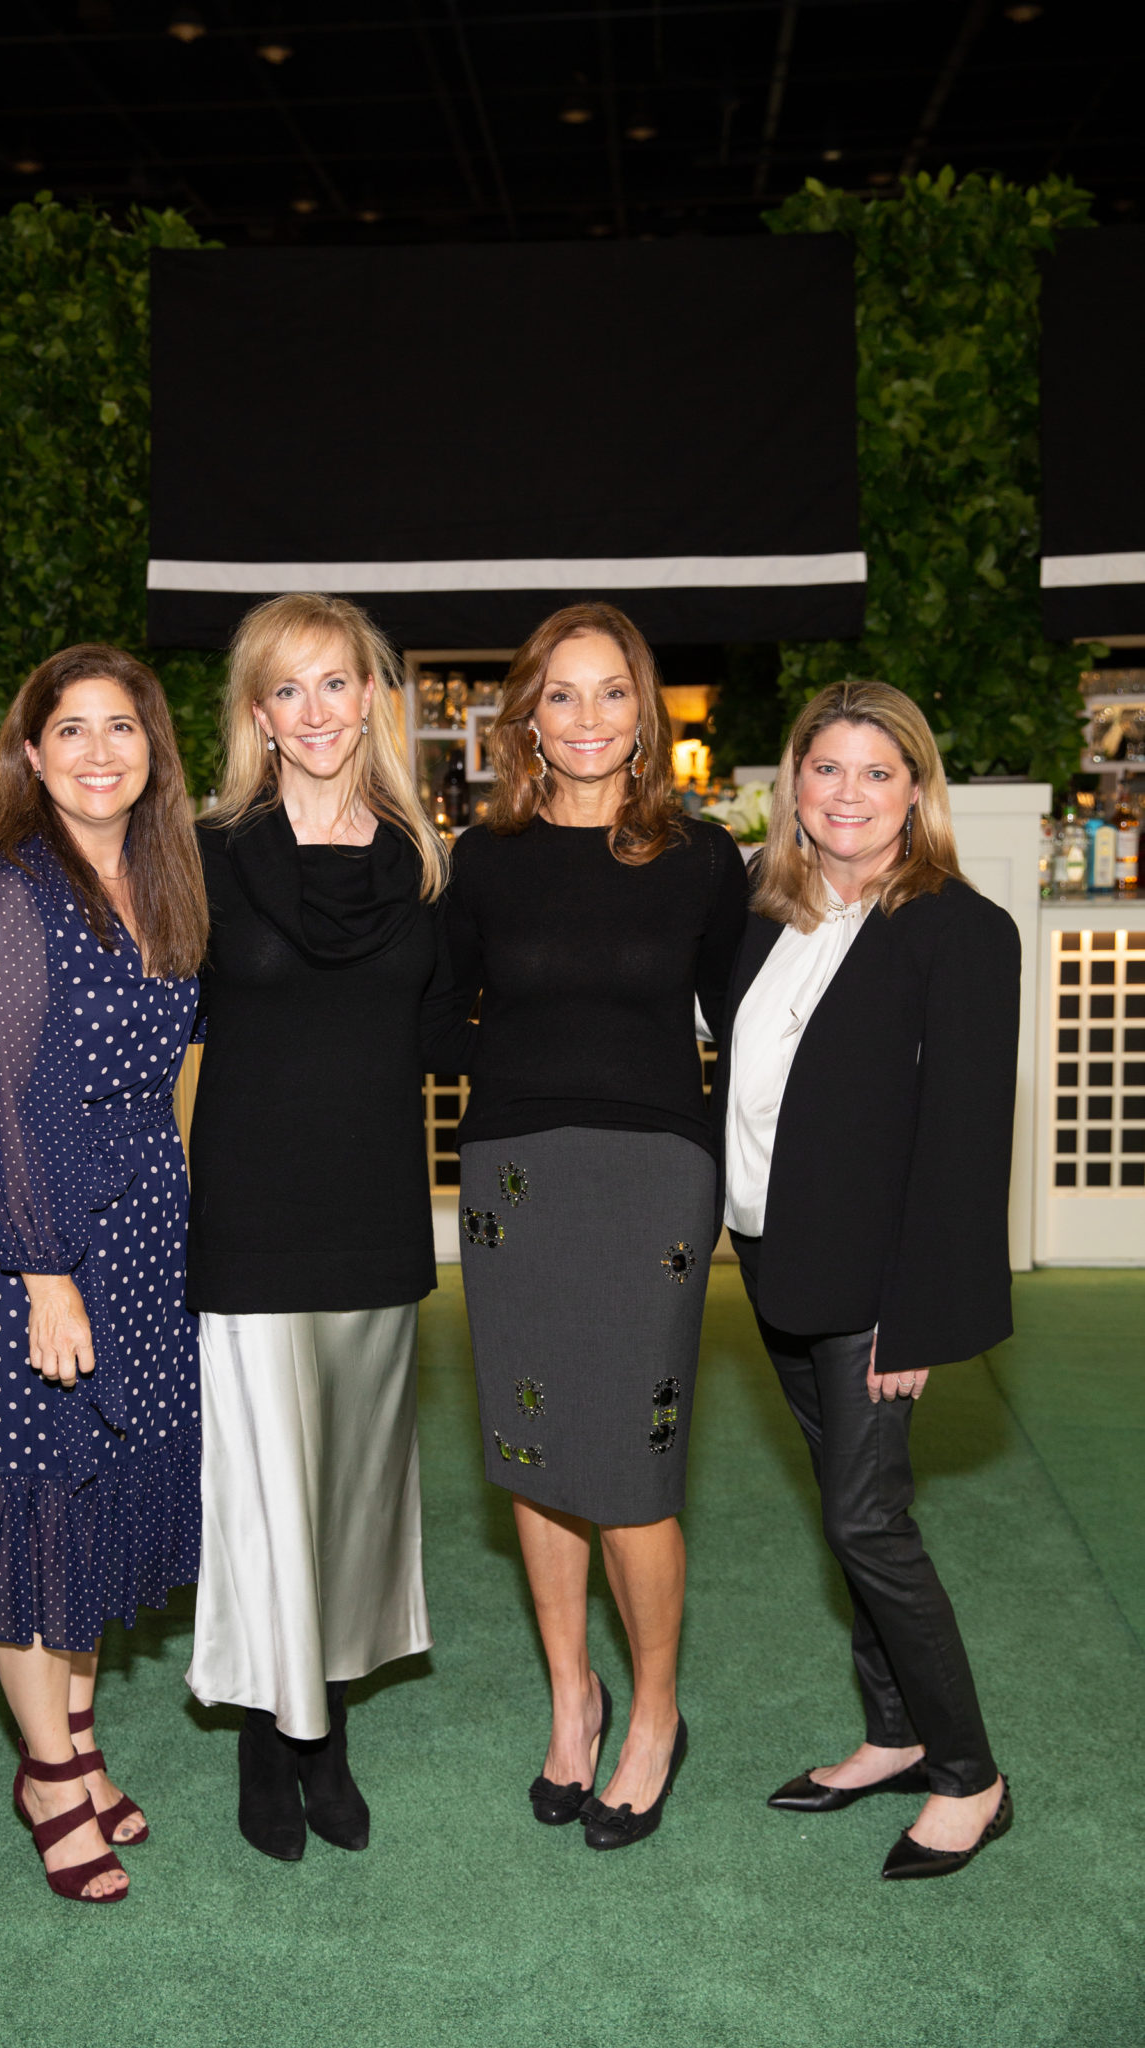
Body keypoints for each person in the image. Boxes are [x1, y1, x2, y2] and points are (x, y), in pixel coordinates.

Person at [0, 644, 207, 1904]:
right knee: (30, 1507)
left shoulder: (160, 879)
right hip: (18, 1239)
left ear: (153, 750)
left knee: (97, 1493)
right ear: (30, 754)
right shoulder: (10, 893)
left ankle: (75, 1740)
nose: (96, 751)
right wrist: (41, 1269)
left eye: (120, 727)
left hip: (139, 1227)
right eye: (68, 729)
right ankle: (46, 1777)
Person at [444, 601, 748, 1850]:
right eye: (558, 694)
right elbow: (432, 1013)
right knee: (532, 1444)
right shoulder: (485, 855)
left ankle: (657, 1712)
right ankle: (573, 1696)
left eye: (610, 691)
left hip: (653, 1179)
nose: (585, 716)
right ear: (527, 713)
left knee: (629, 1463)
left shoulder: (703, 855)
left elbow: (745, 1029)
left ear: (646, 711)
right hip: (513, 1174)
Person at [716, 678, 1018, 1882]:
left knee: (864, 1518)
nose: (847, 793)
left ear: (916, 791)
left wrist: (917, 1310)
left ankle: (970, 1773)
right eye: (825, 768)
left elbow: (962, 1139)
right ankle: (891, 1734)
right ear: (793, 783)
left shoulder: (959, 927)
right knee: (853, 1513)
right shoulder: (763, 912)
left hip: (879, 1288)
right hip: (777, 1255)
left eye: (876, 771)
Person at [184, 592, 460, 1863]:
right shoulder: (204, 848)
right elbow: (162, 1038)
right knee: (262, 1488)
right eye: (285, 690)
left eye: (335, 683)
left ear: (371, 696)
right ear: (256, 713)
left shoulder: (420, 852)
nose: (314, 711)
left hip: (372, 1213)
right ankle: (264, 1734)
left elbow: (448, 1030)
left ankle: (326, 1730)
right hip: (251, 1213)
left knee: (352, 1488)